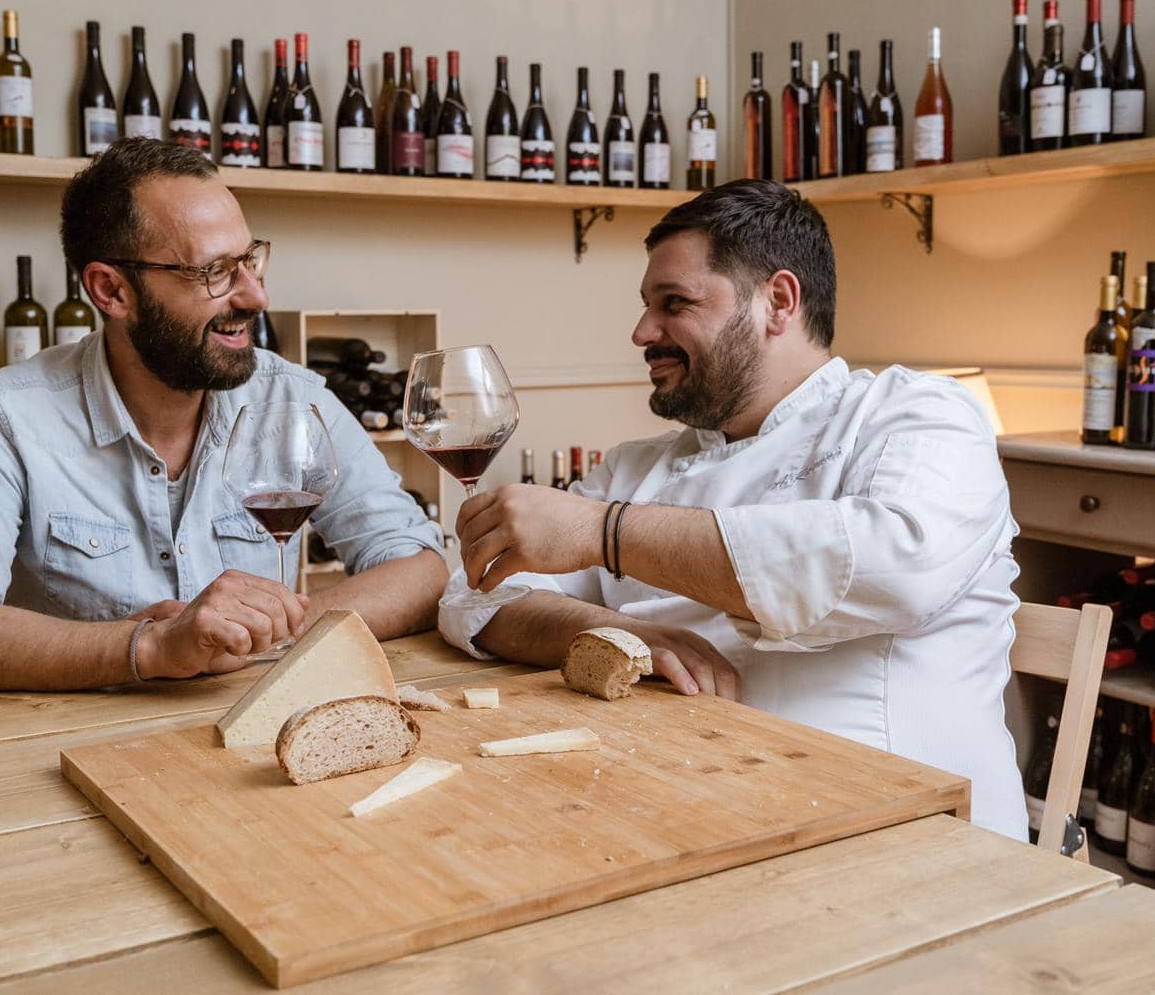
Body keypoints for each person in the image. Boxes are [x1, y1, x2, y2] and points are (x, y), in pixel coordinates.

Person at [438, 179, 1027, 839]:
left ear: (777, 302)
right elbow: (471, 596)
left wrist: (603, 532)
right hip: (680, 816)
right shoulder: (639, 465)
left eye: (674, 303)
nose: (642, 332)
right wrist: (612, 631)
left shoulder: (915, 414)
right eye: (645, 306)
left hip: (905, 840)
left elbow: (894, 568)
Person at [0, 139, 446, 690]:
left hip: (252, 737)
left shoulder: (292, 400)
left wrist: (278, 632)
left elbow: (421, 568)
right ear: (111, 290)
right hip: (69, 751)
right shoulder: (2, 421)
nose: (255, 296)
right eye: (214, 271)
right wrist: (151, 648)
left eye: (249, 261)